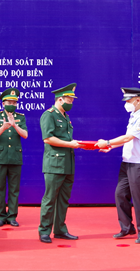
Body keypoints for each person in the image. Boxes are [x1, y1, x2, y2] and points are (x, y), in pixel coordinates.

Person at [97, 87, 140, 244]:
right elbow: (128, 139)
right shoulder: (134, 115)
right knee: (120, 194)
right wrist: (111, 147)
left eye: (128, 101)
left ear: (138, 100)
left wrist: (108, 142)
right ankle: (127, 227)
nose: (126, 104)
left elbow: (128, 137)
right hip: (128, 161)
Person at [38, 83, 81, 244]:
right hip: (54, 164)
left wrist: (75, 144)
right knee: (50, 198)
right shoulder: (49, 115)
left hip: (67, 164)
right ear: (60, 99)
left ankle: (60, 229)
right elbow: (48, 138)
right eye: (69, 100)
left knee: (63, 199)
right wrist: (71, 144)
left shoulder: (65, 116)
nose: (71, 103)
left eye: (72, 100)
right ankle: (44, 230)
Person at [0, 88, 28, 227]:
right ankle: (0, 216)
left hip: (15, 157)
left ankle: (12, 216)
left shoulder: (21, 117)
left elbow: (25, 135)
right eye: (9, 102)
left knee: (14, 188)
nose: (12, 104)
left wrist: (15, 124)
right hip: (0, 157)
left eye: (14, 102)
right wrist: (3, 127)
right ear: (3, 103)